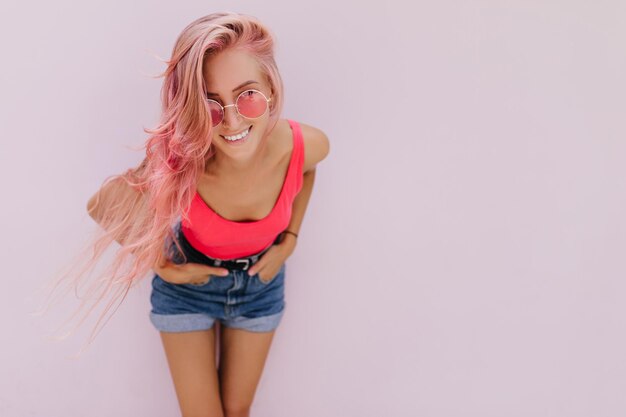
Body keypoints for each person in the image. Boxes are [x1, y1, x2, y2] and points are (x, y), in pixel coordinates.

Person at [38, 11, 329, 417]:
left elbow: (308, 171)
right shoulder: (182, 162)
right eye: (209, 105)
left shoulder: (304, 145)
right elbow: (103, 205)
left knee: (237, 410)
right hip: (186, 291)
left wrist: (290, 240)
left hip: (261, 288)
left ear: (272, 92)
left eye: (247, 95)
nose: (231, 119)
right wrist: (162, 266)